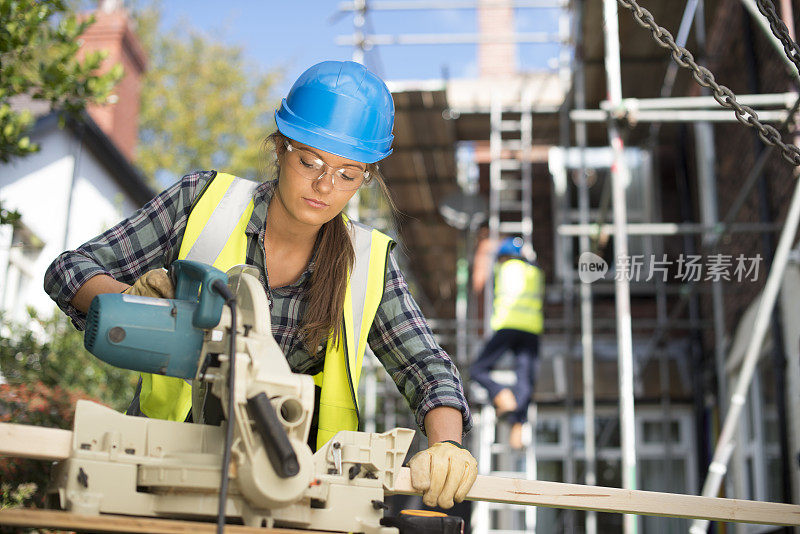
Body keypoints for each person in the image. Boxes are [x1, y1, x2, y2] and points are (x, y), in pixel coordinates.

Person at [44, 60, 476, 509]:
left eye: (348, 174)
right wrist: (129, 302)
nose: (325, 185)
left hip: (290, 496)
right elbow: (69, 270)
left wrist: (447, 444)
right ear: (280, 149)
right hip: (160, 478)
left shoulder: (368, 263)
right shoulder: (202, 205)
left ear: (366, 177)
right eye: (311, 161)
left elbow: (426, 367)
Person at [470, 236, 544, 449]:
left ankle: (501, 394)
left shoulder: (503, 268)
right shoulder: (536, 273)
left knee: (478, 369)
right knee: (526, 380)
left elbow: (483, 278)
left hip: (508, 325)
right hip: (532, 329)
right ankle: (518, 426)